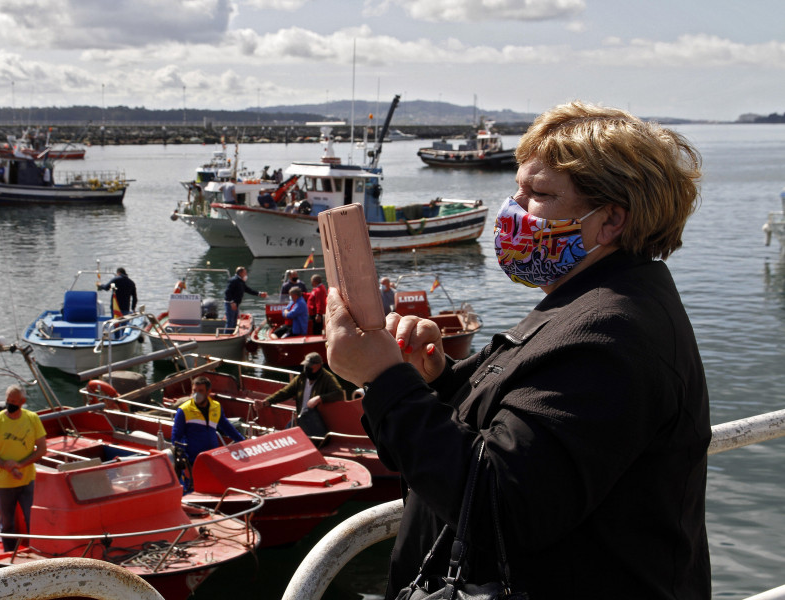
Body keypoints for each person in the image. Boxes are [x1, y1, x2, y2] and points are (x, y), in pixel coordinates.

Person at [325, 101, 710, 600]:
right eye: (519, 188)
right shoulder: (589, 303)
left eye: (540, 194)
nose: (514, 210)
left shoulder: (611, 335)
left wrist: (384, 382)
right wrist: (435, 382)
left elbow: (502, 505)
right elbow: (516, 436)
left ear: (611, 220)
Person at [0, 385, 47, 552]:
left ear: (22, 402)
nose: (10, 404)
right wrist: (7, 466)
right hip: (3, 483)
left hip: (28, 480)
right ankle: (9, 553)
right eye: (8, 401)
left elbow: (42, 449)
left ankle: (36, 550)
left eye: (14, 402)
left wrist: (20, 465)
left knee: (32, 518)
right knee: (7, 522)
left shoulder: (32, 419)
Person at [254, 352, 344, 438]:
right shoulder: (301, 378)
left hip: (317, 419)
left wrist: (319, 398)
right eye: (305, 366)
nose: (306, 368)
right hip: (302, 418)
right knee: (286, 435)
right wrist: (266, 402)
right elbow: (285, 392)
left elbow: (339, 394)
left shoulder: (327, 378)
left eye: (309, 366)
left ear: (318, 366)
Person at [171, 376, 245, 468]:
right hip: (192, 460)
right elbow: (176, 436)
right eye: (194, 391)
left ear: (208, 391)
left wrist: (243, 441)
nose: (196, 394)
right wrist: (182, 459)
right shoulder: (184, 410)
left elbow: (226, 427)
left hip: (212, 456)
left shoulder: (216, 407)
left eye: (200, 391)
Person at [223, 266, 267, 331]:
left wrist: (259, 294)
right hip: (231, 304)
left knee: (234, 322)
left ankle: (232, 334)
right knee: (230, 322)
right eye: (245, 273)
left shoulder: (241, 281)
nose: (246, 274)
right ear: (241, 273)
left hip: (236, 304)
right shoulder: (233, 280)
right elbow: (227, 292)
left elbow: (247, 290)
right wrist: (232, 302)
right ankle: (226, 337)